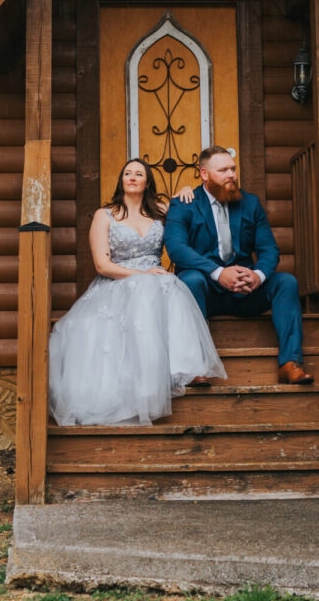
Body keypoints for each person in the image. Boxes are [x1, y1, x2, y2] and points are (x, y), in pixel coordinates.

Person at [48, 158, 226, 426]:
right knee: (149, 287)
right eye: (127, 173)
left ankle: (184, 369)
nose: (132, 177)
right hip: (117, 282)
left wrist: (187, 190)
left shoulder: (162, 211)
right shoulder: (104, 215)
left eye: (139, 174)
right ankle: (138, 386)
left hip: (156, 280)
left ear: (147, 182)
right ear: (121, 180)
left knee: (170, 286)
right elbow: (102, 265)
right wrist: (142, 275)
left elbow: (189, 211)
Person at [164, 144, 313, 384]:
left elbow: (269, 249)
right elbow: (177, 249)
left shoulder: (250, 204)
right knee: (190, 279)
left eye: (233, 169)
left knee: (286, 282)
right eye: (223, 170)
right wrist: (218, 272)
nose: (232, 175)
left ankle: (290, 363)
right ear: (204, 174)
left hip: (246, 291)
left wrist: (258, 276)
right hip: (206, 293)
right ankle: (194, 368)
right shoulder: (184, 204)